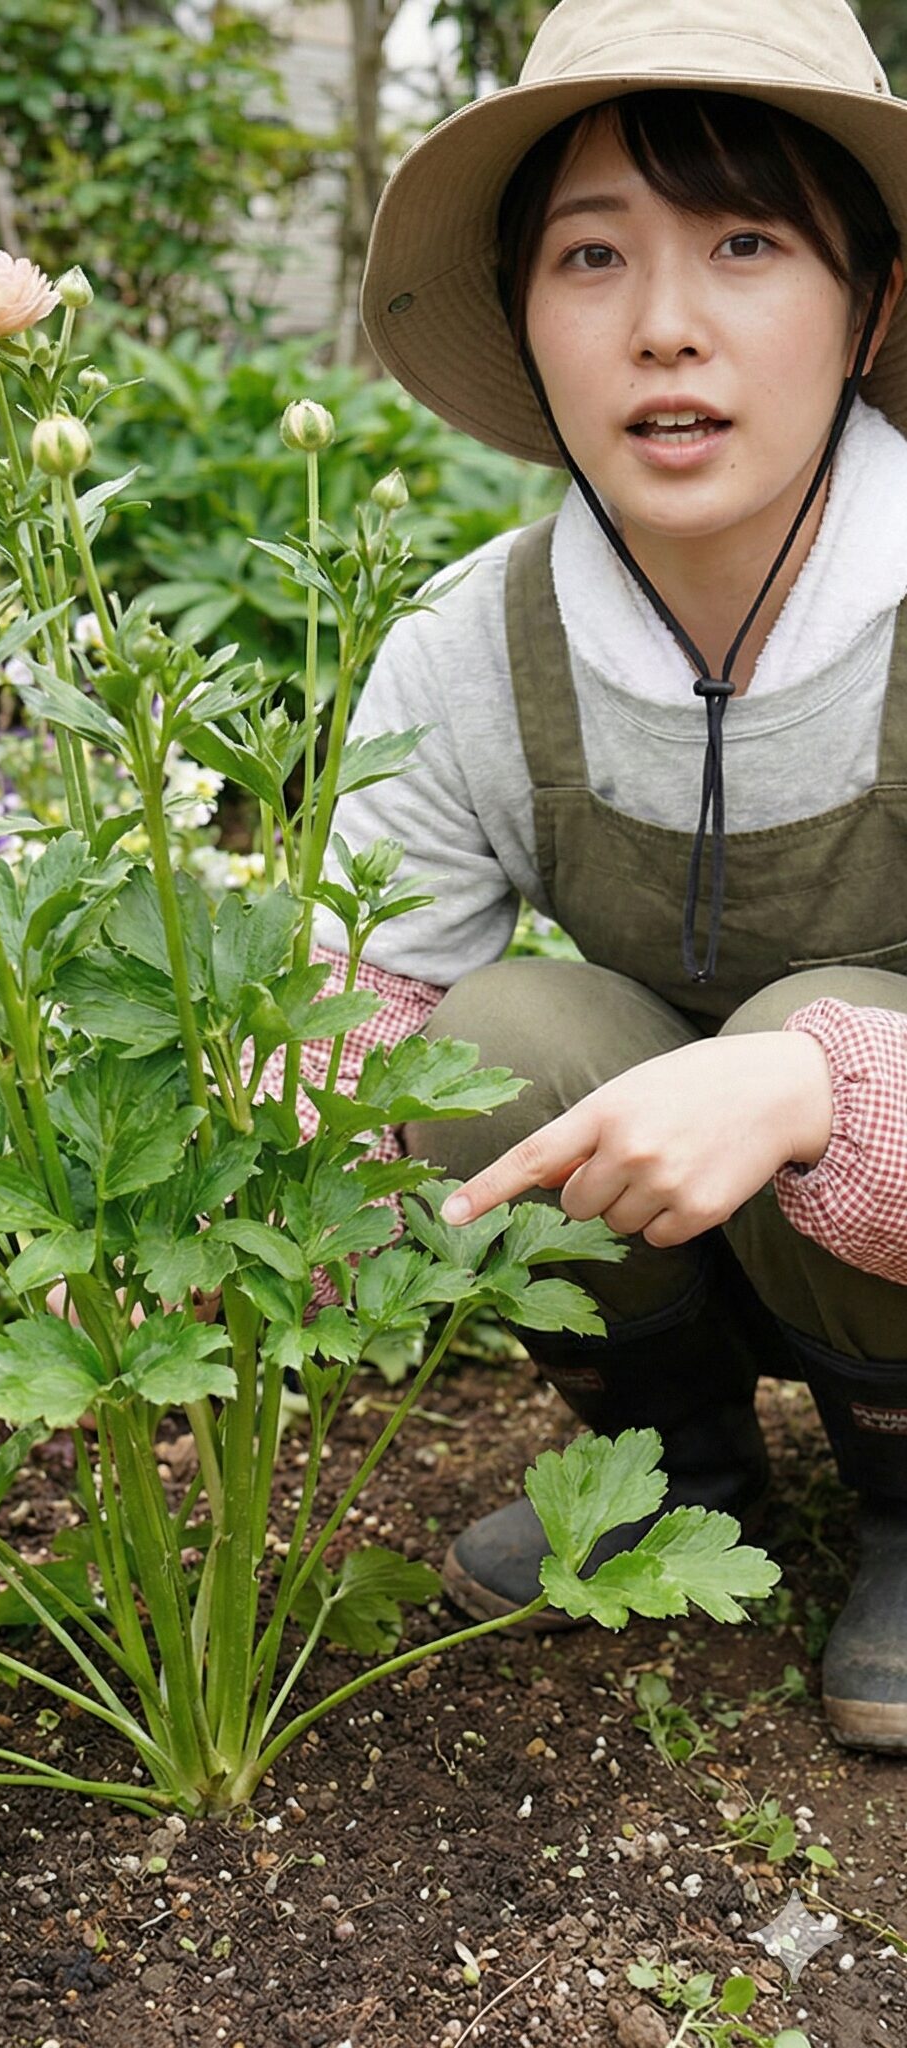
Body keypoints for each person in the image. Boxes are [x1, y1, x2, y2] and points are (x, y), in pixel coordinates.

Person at [308, 0, 907, 1750]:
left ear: (871, 303)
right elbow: (361, 1003)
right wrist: (277, 1190)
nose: (665, 327)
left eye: (745, 244)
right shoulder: (476, 644)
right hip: (673, 1213)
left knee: (818, 1016)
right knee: (489, 1032)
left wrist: (812, 1079)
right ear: (524, 314)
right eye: (592, 254)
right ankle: (674, 1461)